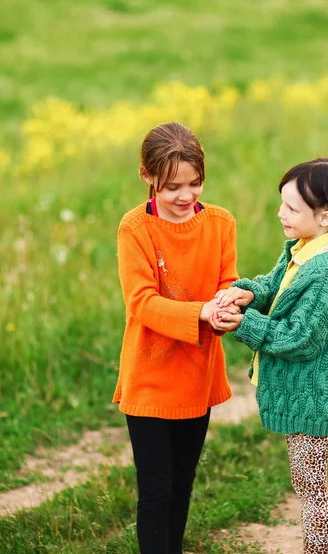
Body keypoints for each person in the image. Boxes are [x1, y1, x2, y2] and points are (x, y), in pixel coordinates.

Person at [211, 158, 328, 554]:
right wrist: (249, 294)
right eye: (282, 203)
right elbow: (276, 285)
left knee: (311, 485)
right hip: (305, 389)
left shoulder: (326, 272)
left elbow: (300, 338)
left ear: (325, 216)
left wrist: (243, 324)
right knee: (304, 479)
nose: (281, 213)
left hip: (314, 393)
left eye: (292, 208)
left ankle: (317, 550)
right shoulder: (305, 248)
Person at [113, 121, 239, 554]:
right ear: (147, 177)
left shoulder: (220, 223)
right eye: (172, 187)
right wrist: (200, 311)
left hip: (196, 375)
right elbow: (142, 303)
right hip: (148, 378)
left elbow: (228, 281)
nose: (186, 196)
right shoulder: (135, 229)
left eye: (195, 183)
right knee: (156, 491)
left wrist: (227, 308)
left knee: (182, 488)